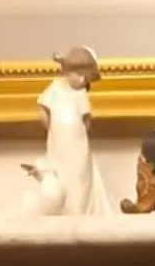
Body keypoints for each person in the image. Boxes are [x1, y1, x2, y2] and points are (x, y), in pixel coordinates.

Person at [38, 45, 114, 216]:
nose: (81, 81)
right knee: (59, 173)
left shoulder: (80, 94)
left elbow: (86, 118)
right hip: (58, 141)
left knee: (79, 175)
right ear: (66, 71)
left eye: (85, 78)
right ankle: (60, 208)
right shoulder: (55, 88)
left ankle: (78, 210)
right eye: (78, 75)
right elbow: (42, 107)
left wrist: (82, 134)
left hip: (77, 144)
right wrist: (49, 126)